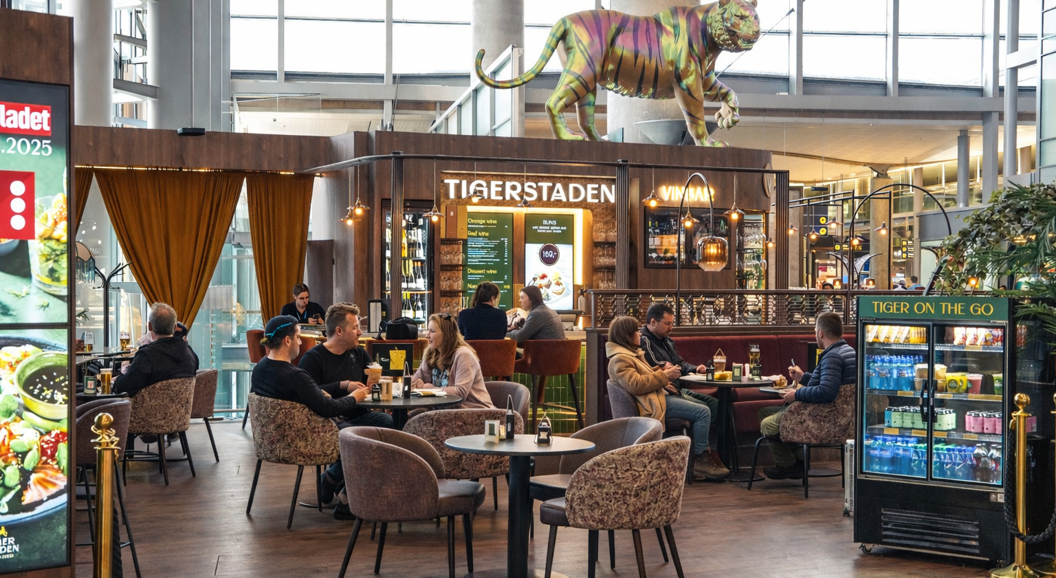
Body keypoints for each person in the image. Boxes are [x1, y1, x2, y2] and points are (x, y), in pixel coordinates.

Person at [251, 315, 370, 519]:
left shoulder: (261, 368)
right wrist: (354, 397)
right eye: (298, 337)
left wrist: (340, 385)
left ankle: (332, 481)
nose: (299, 342)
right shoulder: (295, 376)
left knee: (372, 426)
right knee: (369, 438)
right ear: (287, 340)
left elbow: (311, 394)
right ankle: (346, 500)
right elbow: (328, 407)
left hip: (279, 439)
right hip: (309, 440)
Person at [606, 316, 729, 480]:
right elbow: (635, 385)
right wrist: (664, 376)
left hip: (656, 397)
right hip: (650, 404)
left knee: (711, 406)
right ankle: (700, 461)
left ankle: (703, 453)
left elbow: (642, 377)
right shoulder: (620, 359)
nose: (640, 334)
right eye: (636, 331)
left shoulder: (630, 354)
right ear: (626, 335)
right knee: (703, 412)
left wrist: (662, 380)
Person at [759, 311, 856, 480]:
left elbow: (826, 392)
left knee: (768, 424)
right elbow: (830, 384)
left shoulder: (832, 356)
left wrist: (797, 394)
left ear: (820, 333)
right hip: (841, 417)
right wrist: (803, 377)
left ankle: (788, 465)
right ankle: (799, 463)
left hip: (824, 417)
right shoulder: (847, 351)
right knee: (765, 411)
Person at [298, 302, 394, 430]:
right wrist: (344, 386)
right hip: (329, 420)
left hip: (359, 415)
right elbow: (310, 394)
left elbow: (369, 386)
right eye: (355, 328)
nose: (360, 332)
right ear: (339, 331)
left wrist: (374, 385)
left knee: (388, 421)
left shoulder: (359, 352)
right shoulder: (313, 358)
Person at [638, 303, 720, 432]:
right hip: (663, 393)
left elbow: (679, 363)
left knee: (716, 405)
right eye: (667, 324)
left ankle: (708, 446)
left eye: (672, 323)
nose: (671, 328)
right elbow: (649, 364)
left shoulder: (667, 340)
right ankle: (700, 450)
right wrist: (662, 365)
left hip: (678, 389)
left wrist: (696, 368)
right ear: (653, 322)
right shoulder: (643, 340)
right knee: (705, 409)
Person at [411, 313, 495, 408]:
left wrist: (431, 389)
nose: (427, 335)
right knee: (408, 419)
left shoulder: (464, 355)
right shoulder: (431, 354)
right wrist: (415, 384)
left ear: (446, 334)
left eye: (432, 331)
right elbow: (414, 383)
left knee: (416, 421)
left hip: (473, 412)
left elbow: (460, 393)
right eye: (428, 330)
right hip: (444, 412)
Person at [113, 302, 198, 397]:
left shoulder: (146, 356)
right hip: (183, 411)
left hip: (143, 411)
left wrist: (118, 377)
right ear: (174, 327)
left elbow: (122, 388)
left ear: (149, 326)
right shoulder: (190, 353)